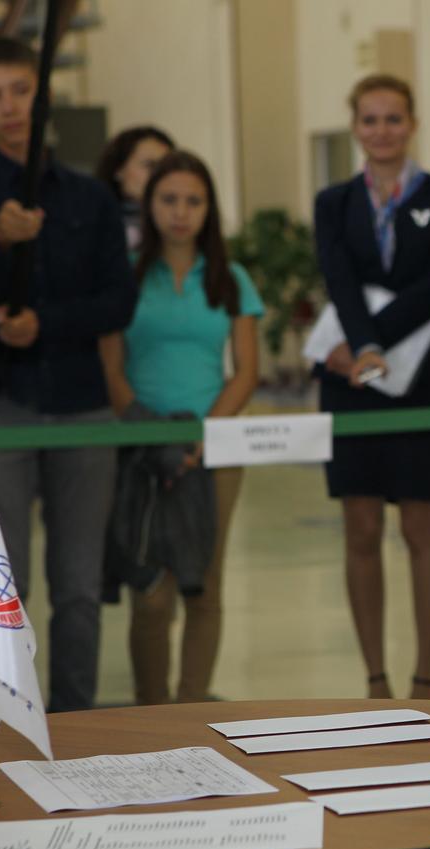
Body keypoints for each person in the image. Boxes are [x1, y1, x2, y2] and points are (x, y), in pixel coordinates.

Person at [0, 37, 135, 713]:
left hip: (79, 403)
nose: (10, 107)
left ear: (46, 97)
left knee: (79, 585)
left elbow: (118, 300)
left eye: (22, 90)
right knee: (4, 583)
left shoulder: (91, 197)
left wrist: (49, 322)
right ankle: (5, 726)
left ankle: (75, 722)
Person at [313, 74, 430, 700]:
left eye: (393, 119)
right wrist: (359, 349)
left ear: (412, 123)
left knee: (420, 529)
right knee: (362, 529)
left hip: (421, 375)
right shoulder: (333, 202)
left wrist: (370, 341)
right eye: (370, 119)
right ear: (355, 126)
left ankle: (425, 675)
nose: (381, 131)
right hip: (350, 379)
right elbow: (339, 279)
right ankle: (374, 678)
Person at [98, 150, 262, 705]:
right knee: (151, 592)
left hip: (213, 451)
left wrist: (199, 435)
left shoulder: (230, 278)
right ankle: (151, 709)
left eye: (194, 200)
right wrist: (154, 434)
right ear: (149, 205)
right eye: (169, 199)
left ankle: (190, 708)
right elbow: (111, 368)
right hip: (141, 450)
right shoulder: (121, 275)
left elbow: (247, 372)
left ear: (209, 208)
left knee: (204, 586)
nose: (181, 212)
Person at [94, 125, 175, 251]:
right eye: (150, 165)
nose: (160, 174)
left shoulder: (179, 222)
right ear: (118, 169)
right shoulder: (94, 222)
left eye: (166, 167)